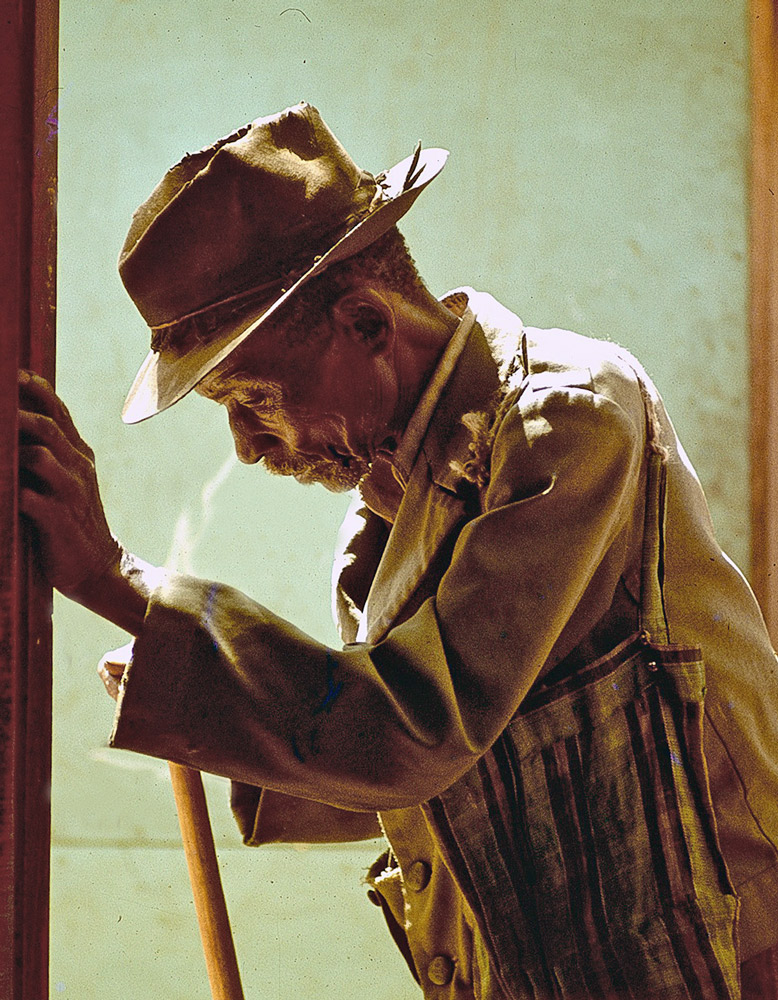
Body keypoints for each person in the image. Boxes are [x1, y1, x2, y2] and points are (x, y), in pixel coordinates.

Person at [18, 102, 778, 999]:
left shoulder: (566, 417)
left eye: (255, 399)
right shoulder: (382, 510)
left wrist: (123, 584)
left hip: (723, 962)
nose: (249, 448)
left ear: (368, 325)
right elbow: (436, 774)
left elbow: (417, 731)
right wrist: (197, 696)